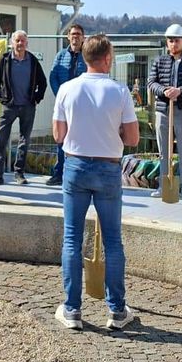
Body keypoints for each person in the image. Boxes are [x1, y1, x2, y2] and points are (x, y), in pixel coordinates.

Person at [53, 33, 139, 331]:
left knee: (72, 238)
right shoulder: (119, 91)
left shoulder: (67, 88)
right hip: (108, 167)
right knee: (113, 241)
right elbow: (132, 138)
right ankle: (116, 310)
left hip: (75, 165)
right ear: (106, 58)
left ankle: (72, 309)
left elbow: (58, 135)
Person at [147, 23, 182, 200]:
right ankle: (164, 185)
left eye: (177, 40)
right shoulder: (159, 61)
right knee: (164, 150)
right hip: (163, 110)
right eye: (170, 40)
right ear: (167, 42)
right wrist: (164, 91)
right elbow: (151, 83)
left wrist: (180, 91)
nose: (173, 44)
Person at [0, 30, 47, 186]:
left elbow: (43, 83)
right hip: (9, 107)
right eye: (17, 41)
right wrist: (2, 98)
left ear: (27, 43)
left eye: (23, 41)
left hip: (28, 107)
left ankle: (19, 173)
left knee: (24, 141)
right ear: (12, 43)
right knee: (1, 140)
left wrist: (36, 99)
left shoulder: (33, 61)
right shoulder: (5, 60)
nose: (20, 44)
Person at [46, 24, 87, 186]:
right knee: (61, 139)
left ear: (83, 37)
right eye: (73, 34)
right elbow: (53, 76)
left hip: (83, 105)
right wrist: (61, 96)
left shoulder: (87, 56)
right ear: (68, 37)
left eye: (78, 34)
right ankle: (59, 173)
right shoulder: (60, 55)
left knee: (81, 140)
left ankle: (79, 175)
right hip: (63, 105)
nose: (75, 37)